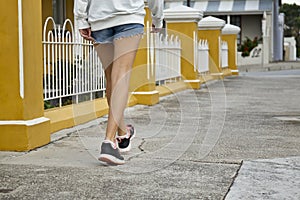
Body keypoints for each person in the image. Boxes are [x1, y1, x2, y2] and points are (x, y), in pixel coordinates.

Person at [74, 0, 164, 165]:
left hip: (99, 19)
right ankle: (109, 142)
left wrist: (81, 19)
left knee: (111, 78)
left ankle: (123, 133)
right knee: (121, 75)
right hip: (129, 17)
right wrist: (158, 17)